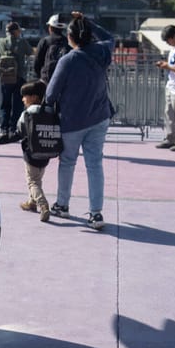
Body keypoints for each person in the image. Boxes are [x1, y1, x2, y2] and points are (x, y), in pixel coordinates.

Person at [45, 15, 114, 230]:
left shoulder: (68, 60)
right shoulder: (102, 51)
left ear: (70, 37)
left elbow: (50, 94)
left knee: (67, 163)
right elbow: (110, 37)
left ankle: (62, 205)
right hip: (99, 116)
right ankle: (96, 213)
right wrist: (88, 22)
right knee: (95, 165)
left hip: (72, 120)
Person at [0, 21, 34, 141]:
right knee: (17, 104)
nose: (20, 32)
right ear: (15, 31)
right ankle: (14, 128)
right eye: (19, 30)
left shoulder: (0, 41)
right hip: (19, 77)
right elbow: (31, 52)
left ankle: (3, 128)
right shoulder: (21, 42)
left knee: (5, 104)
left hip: (5, 78)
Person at [15, 80, 53, 222]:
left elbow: (19, 132)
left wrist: (1, 139)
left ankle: (43, 205)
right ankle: (31, 202)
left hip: (31, 153)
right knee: (38, 178)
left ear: (34, 97)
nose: (23, 98)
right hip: (46, 151)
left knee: (32, 182)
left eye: (25, 95)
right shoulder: (49, 110)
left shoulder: (28, 113)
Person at [33, 13, 71, 83]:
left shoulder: (45, 41)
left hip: (46, 79)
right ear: (62, 28)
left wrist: (40, 77)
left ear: (50, 28)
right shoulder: (68, 42)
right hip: (63, 79)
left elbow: (37, 63)